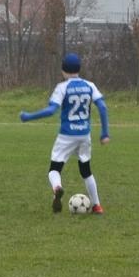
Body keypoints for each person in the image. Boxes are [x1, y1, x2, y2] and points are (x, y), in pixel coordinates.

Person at [18, 52, 109, 215]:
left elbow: (51, 110)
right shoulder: (90, 85)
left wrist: (29, 116)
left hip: (67, 135)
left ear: (63, 70)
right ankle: (97, 206)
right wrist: (104, 133)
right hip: (84, 135)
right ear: (79, 69)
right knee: (86, 171)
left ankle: (57, 188)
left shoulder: (62, 87)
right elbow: (102, 107)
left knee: (54, 169)